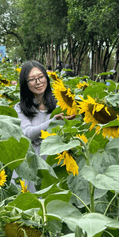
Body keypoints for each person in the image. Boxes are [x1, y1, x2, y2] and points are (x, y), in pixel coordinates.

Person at [13, 61, 74, 191]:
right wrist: (53, 121)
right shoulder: (20, 108)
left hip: (54, 160)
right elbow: (28, 133)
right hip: (31, 163)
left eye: (41, 77)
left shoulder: (59, 104)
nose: (38, 82)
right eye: (32, 79)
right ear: (25, 83)